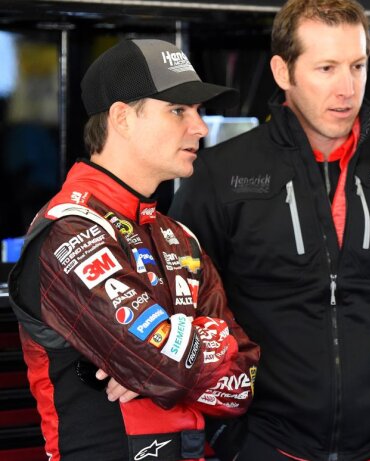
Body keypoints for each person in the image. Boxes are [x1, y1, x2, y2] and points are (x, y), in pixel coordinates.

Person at [169, 0, 370, 459]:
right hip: (268, 445)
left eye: (357, 65)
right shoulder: (221, 174)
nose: (347, 88)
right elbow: (184, 311)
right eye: (326, 68)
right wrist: (228, 439)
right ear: (283, 72)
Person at [8, 38, 260, 461]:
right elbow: (163, 367)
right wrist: (193, 350)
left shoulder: (180, 237)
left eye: (197, 111)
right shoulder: (68, 233)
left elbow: (241, 388)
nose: (199, 126)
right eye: (178, 110)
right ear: (122, 118)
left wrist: (172, 358)